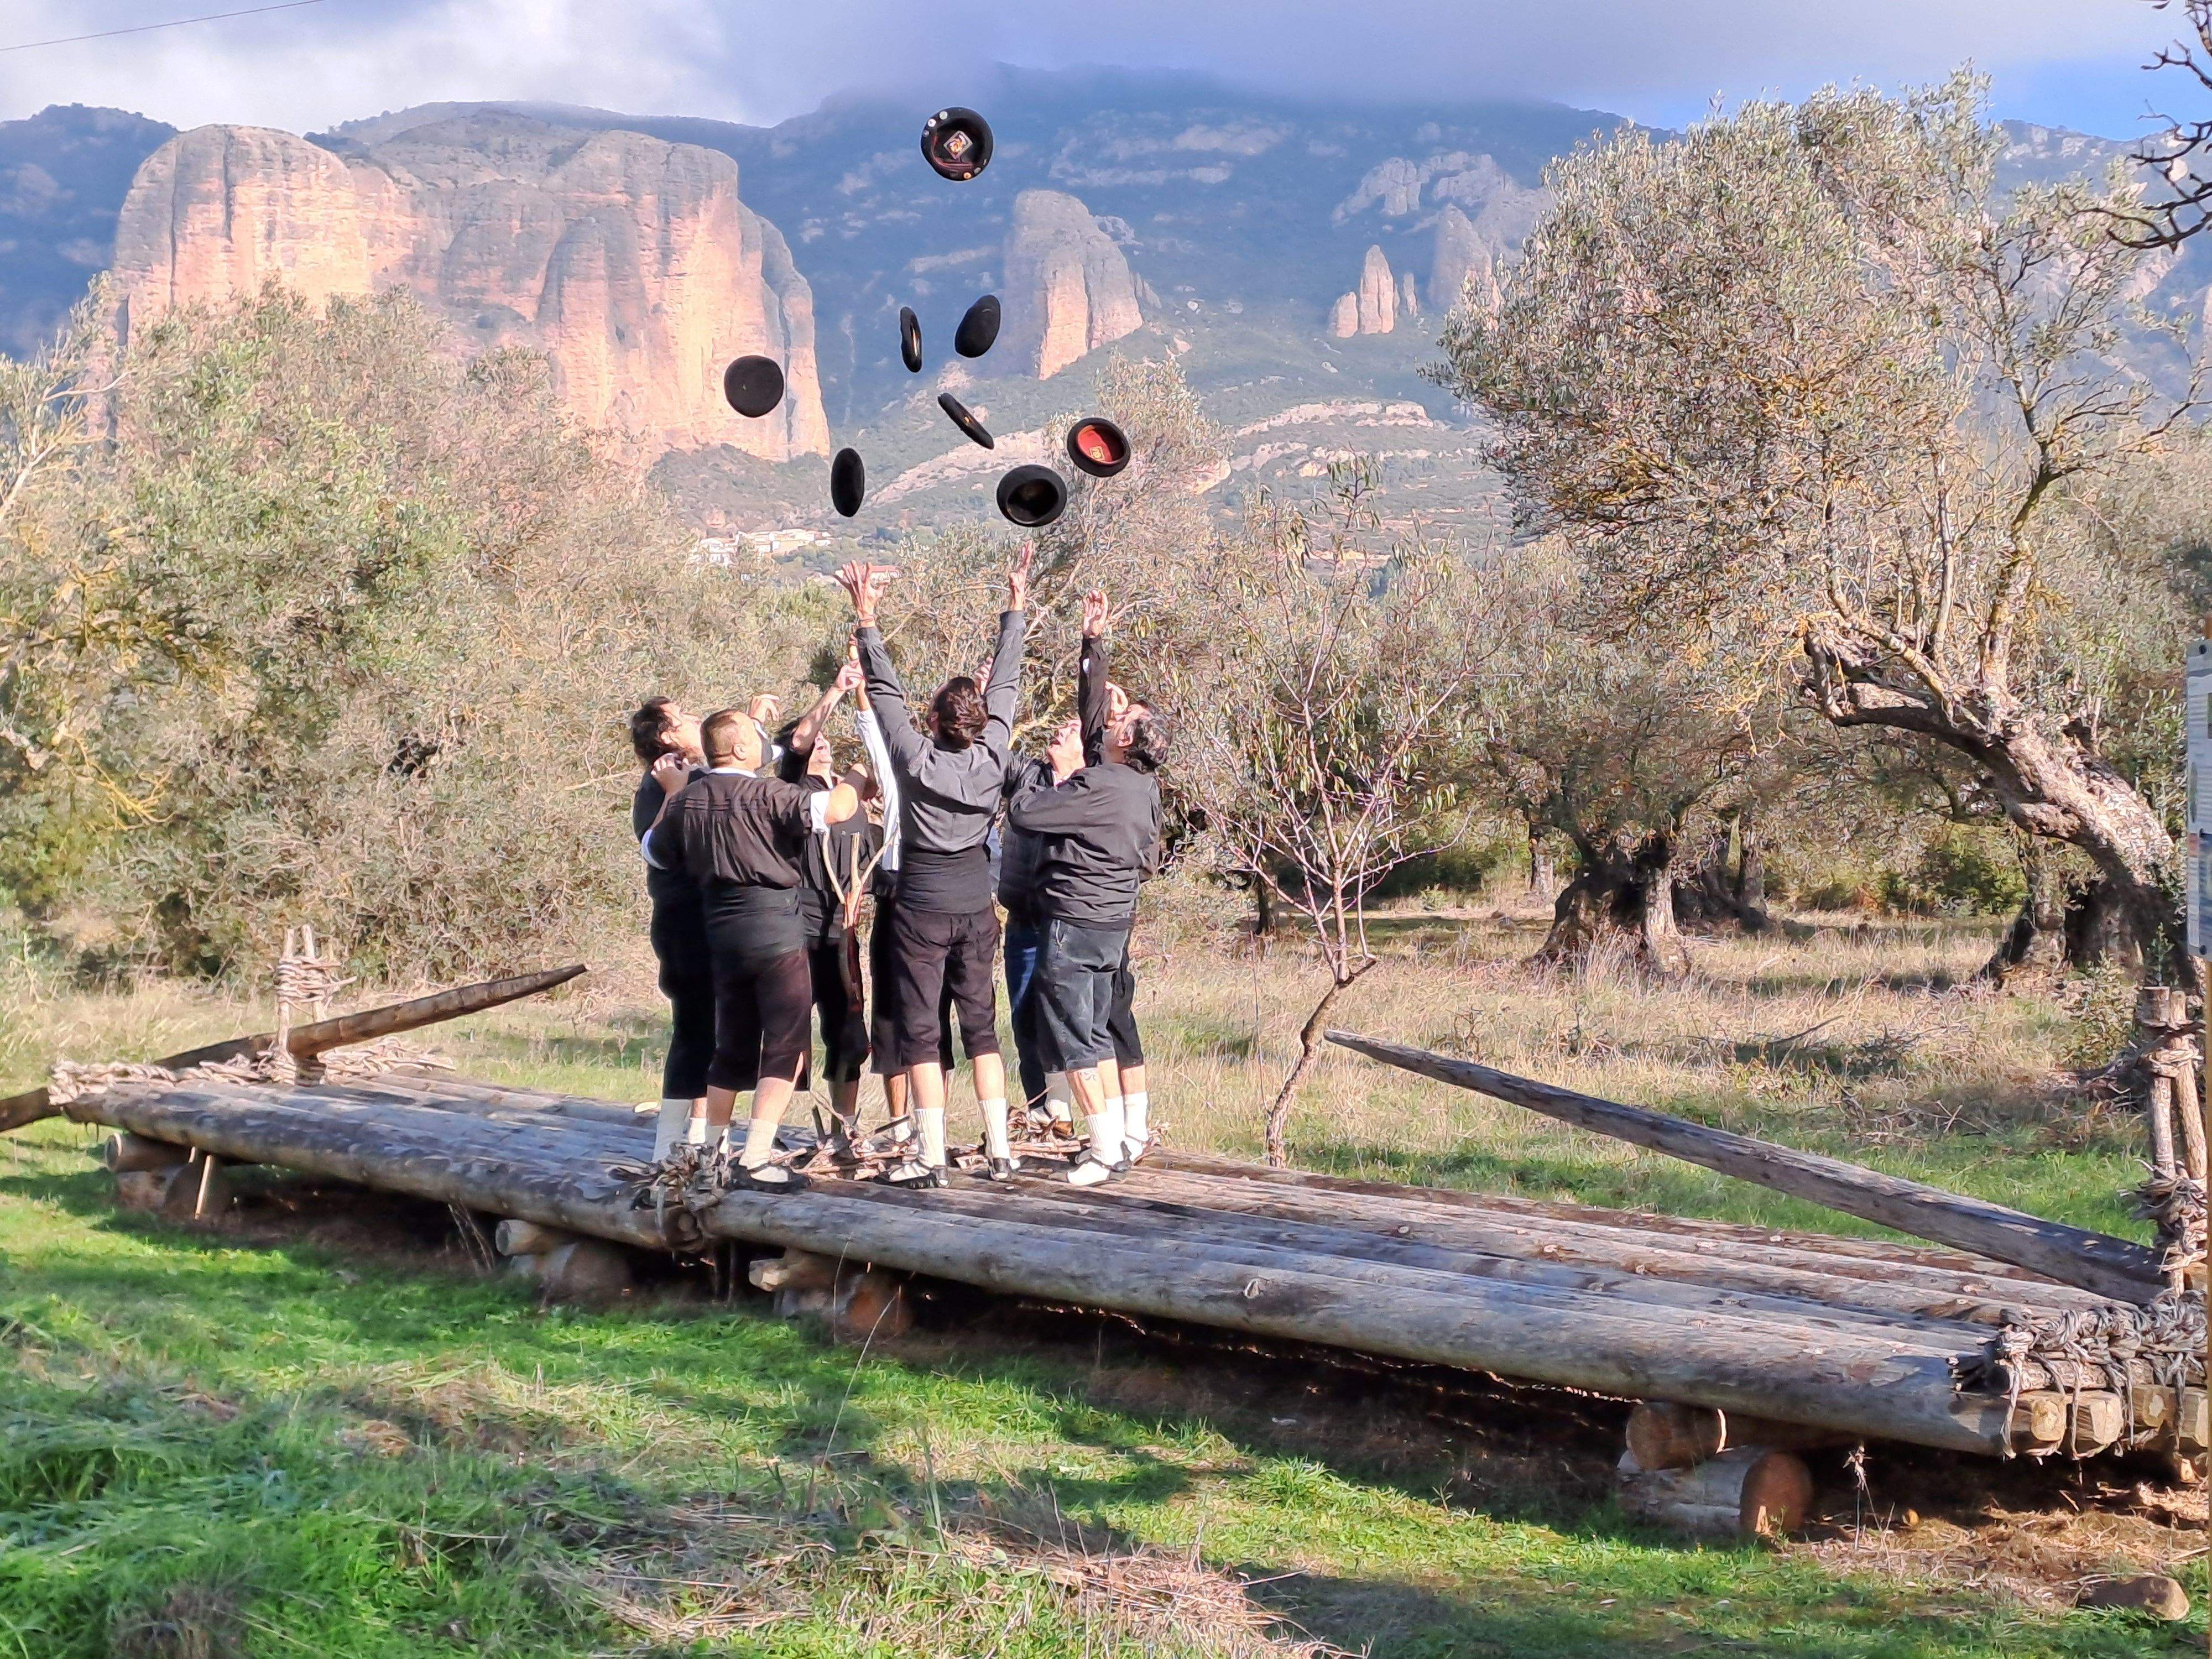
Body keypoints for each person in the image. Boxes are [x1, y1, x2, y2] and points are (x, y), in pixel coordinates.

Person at [840, 546, 1031, 1186]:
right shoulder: (995, 755)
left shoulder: (912, 758)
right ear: (979, 724)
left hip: (921, 905)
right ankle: (1001, 1150)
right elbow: (1006, 683)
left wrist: (866, 618)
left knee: (923, 1031)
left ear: (931, 722)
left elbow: (884, 692)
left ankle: (929, 1155)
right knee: (981, 1028)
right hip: (978, 907)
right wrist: (1015, 607)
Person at [640, 707, 863, 1192]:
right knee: (786, 1046)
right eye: (757, 734)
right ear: (740, 748)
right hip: (776, 932)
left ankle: (709, 1155)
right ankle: (757, 1155)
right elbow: (838, 809)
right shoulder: (768, 794)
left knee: (731, 1044)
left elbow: (654, 851)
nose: (764, 739)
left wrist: (674, 798)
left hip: (721, 935)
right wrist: (861, 773)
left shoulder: (689, 800)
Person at [1006, 685, 1171, 1186]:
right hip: (1113, 927)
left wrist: (1063, 775)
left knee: (1074, 1039)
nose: (1116, 719)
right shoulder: (1145, 789)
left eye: (1125, 719)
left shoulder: (1097, 783)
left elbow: (1025, 814)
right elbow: (1148, 857)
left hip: (1072, 925)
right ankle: (1118, 1139)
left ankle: (1104, 1151)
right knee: (1097, 1033)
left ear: (1125, 739)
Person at [1000, 589, 1112, 1143]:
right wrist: (981, 697)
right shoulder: (1026, 777)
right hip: (1023, 921)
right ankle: (1046, 1114)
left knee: (1067, 1021)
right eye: (1058, 728)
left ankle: (1085, 1120)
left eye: (1068, 730)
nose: (1060, 731)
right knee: (1024, 1018)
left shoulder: (1093, 785)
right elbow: (986, 744)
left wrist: (1092, 643)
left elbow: (1093, 714)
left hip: (1069, 923)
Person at [776, 659, 883, 1146]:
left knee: (846, 1030)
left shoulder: (856, 797)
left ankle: (844, 1128)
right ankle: (769, 1128)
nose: (821, 742)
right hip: (798, 926)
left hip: (844, 931)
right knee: (786, 1029)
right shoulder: (791, 791)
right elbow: (800, 740)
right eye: (813, 740)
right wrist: (836, 692)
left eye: (825, 741)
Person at [630, 698, 713, 1161]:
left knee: (714, 1030)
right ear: (665, 737)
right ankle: (667, 1149)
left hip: (713, 918)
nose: (696, 720)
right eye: (683, 717)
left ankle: (699, 1141)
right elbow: (656, 849)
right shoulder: (661, 783)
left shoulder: (695, 775)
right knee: (694, 1030)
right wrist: (677, 792)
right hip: (685, 921)